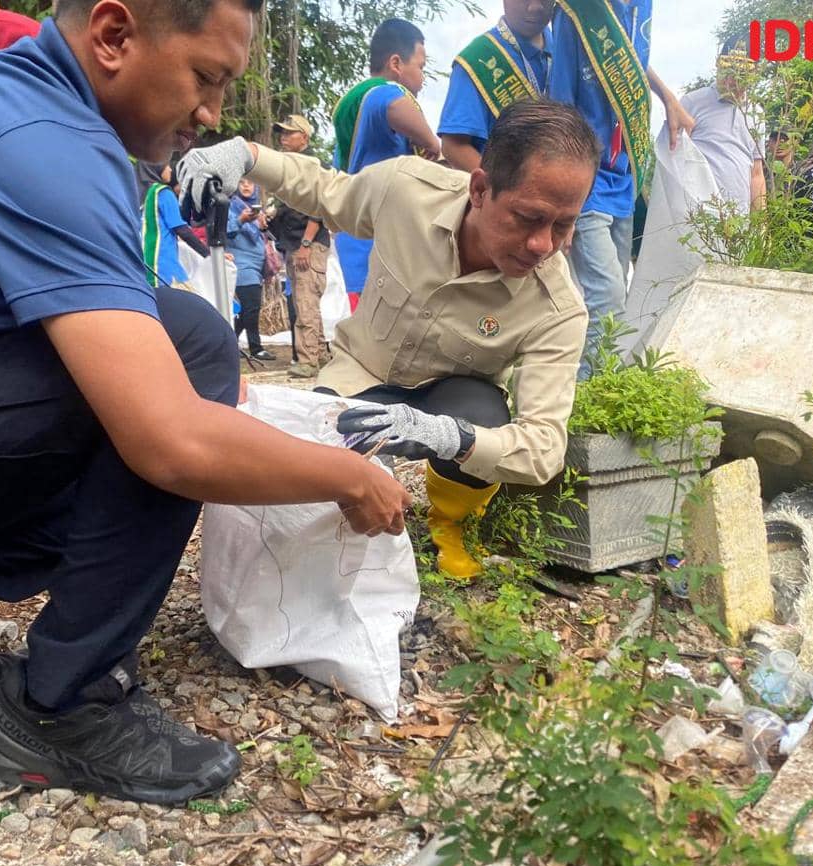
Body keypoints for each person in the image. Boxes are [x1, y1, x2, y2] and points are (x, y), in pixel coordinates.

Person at [0, 0, 409, 805]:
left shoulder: (10, 98)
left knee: (146, 352)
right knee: (188, 347)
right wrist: (347, 476)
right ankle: (67, 705)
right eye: (206, 77)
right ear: (113, 36)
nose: (212, 112)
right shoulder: (43, 140)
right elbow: (170, 441)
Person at [180, 99, 598, 580]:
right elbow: (326, 191)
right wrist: (247, 154)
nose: (543, 245)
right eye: (527, 217)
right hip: (362, 375)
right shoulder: (407, 191)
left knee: (484, 419)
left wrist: (448, 436)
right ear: (481, 189)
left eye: (563, 225)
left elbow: (544, 445)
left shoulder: (557, 308)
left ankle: (452, 524)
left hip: (450, 400)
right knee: (316, 458)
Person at [548, 0, 694, 379]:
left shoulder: (643, 6)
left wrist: (667, 97)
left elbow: (632, 58)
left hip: (624, 178)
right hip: (586, 179)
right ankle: (586, 400)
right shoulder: (577, 9)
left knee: (617, 302)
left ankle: (595, 388)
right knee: (607, 298)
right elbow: (560, 106)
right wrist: (564, 201)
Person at [331, 18, 441, 313]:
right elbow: (392, 103)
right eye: (420, 67)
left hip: (356, 240)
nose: (422, 78)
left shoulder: (349, 106)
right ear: (396, 63)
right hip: (375, 248)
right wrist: (431, 142)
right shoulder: (379, 91)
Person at [438, 0, 554, 173]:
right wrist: (499, 186)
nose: (535, 7)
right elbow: (453, 146)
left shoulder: (567, 45)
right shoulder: (478, 59)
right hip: (508, 182)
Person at [268, 114, 330, 378]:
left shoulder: (314, 165)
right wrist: (270, 215)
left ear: (304, 137)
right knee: (306, 301)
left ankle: (307, 360)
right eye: (281, 133)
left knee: (305, 303)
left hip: (308, 243)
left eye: (289, 133)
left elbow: (320, 207)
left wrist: (306, 243)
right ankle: (321, 355)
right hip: (294, 242)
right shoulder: (292, 167)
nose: (283, 137)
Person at [680, 37, 766, 214]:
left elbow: (756, 174)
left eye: (741, 75)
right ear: (719, 68)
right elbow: (676, 159)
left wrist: (760, 223)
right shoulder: (692, 102)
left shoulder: (756, 113)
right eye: (728, 72)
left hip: (739, 218)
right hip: (699, 214)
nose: (732, 81)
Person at [228, 177, 275, 361]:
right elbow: (224, 231)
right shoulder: (230, 206)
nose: (246, 185)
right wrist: (241, 219)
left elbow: (264, 237)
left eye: (250, 182)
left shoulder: (256, 208)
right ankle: (256, 348)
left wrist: (262, 227)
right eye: (242, 182)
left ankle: (228, 342)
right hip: (241, 263)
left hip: (257, 265)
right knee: (251, 307)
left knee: (247, 309)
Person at [142, 164, 210, 290]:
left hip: (145, 267)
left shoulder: (143, 194)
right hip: (164, 266)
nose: (170, 170)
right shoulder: (163, 193)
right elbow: (182, 230)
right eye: (166, 165)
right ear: (157, 167)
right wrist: (209, 254)